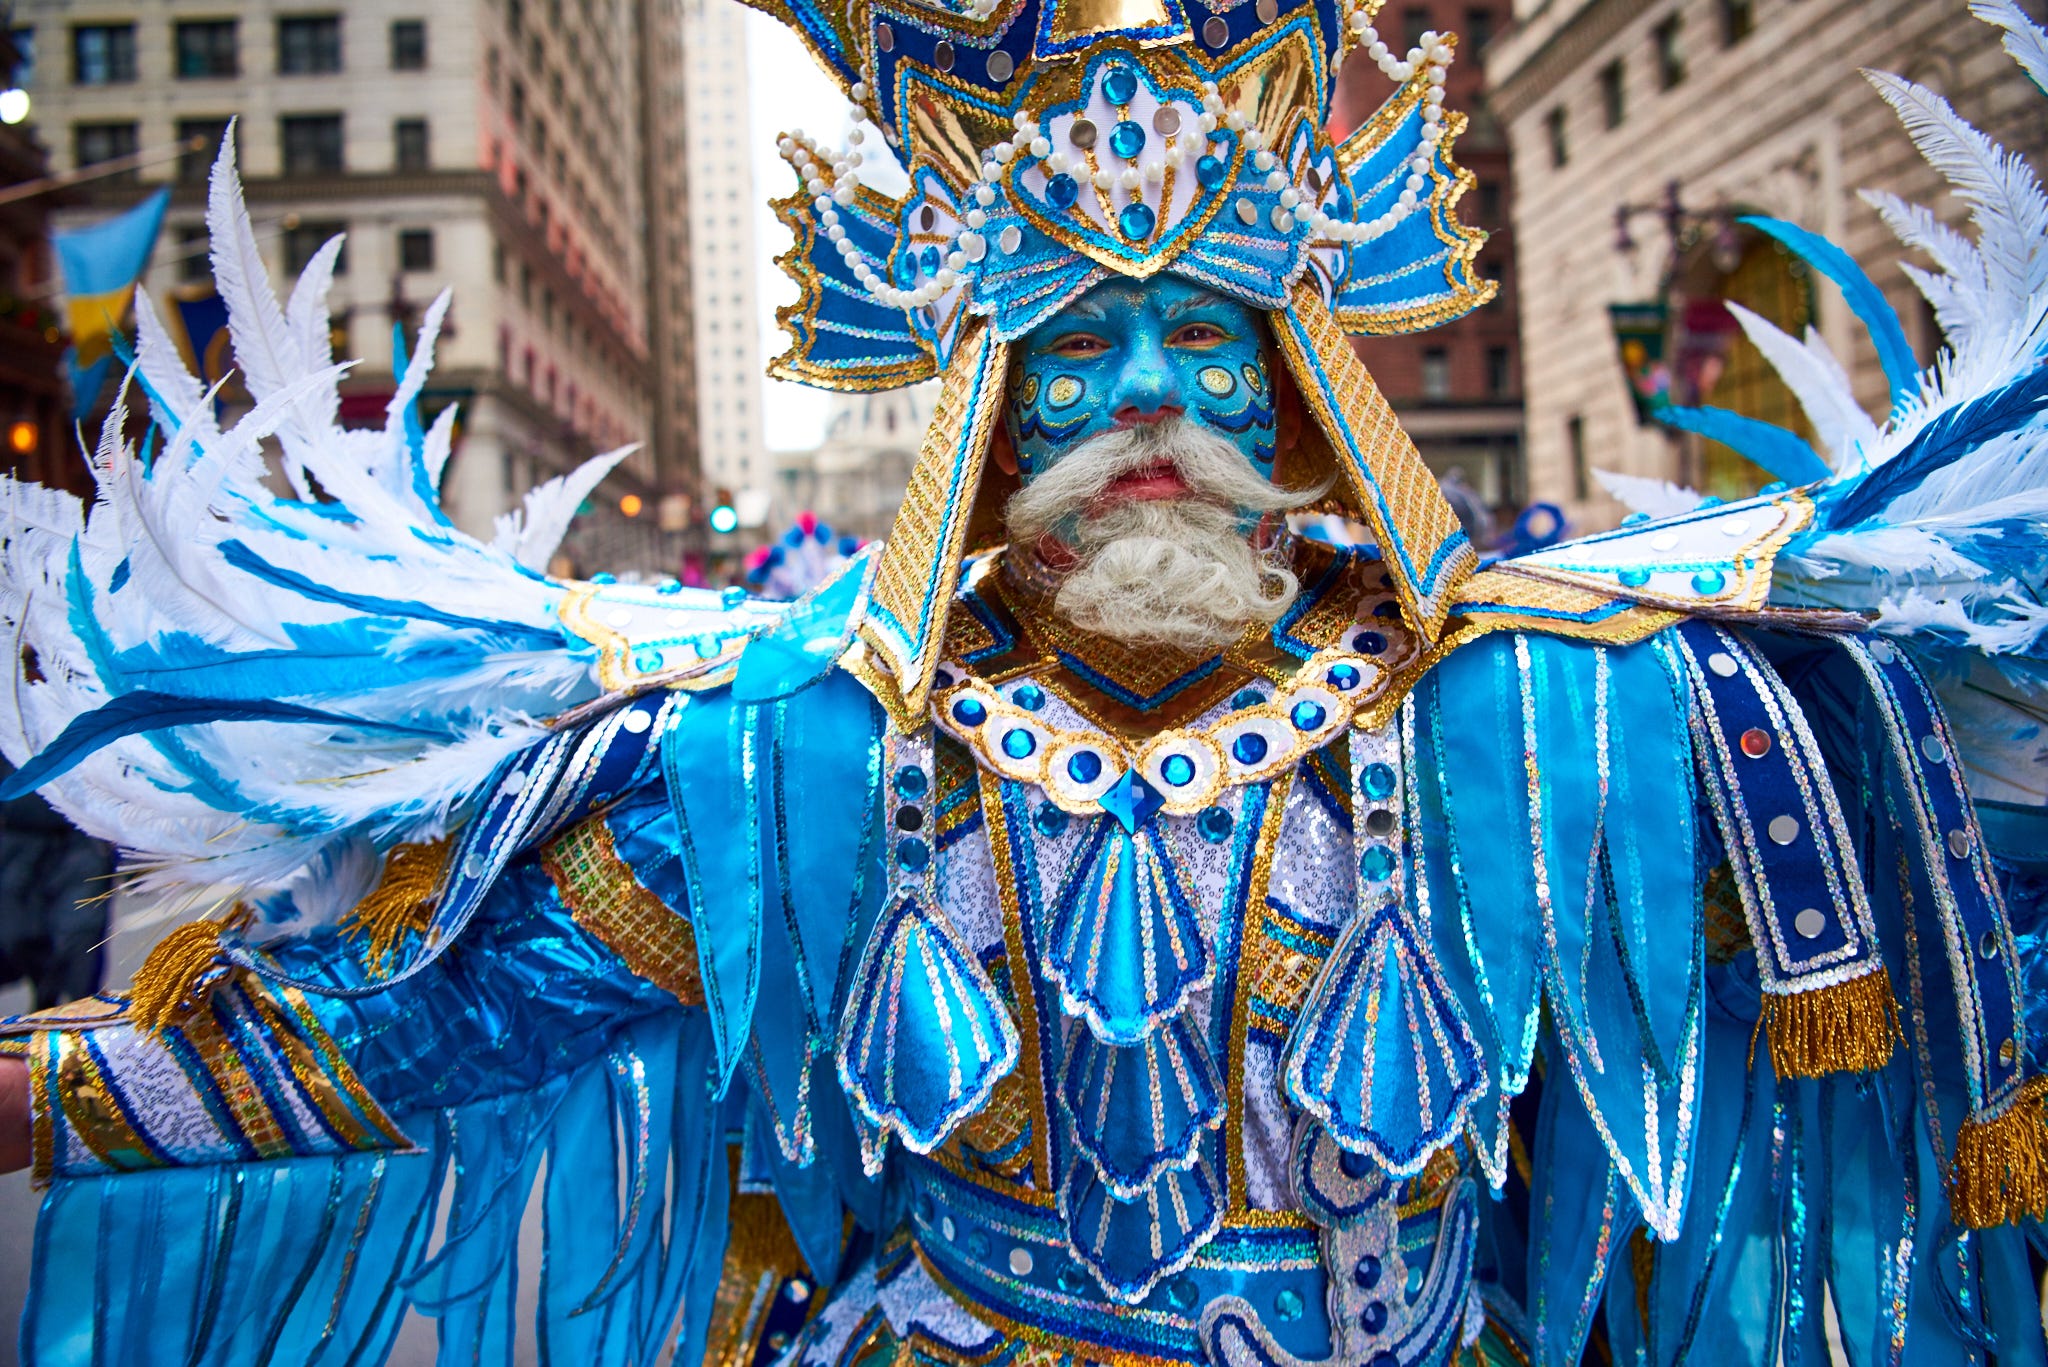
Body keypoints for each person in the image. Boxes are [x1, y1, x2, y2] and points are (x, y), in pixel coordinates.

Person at [0, 2, 2045, 1363]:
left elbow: (1930, 938)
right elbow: (419, 1035)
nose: (1144, 401)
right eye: (1075, 350)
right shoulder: (791, 756)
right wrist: (47, 1103)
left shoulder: (1531, 718)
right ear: (983, 412)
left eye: (1200, 342)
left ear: (1302, 392)